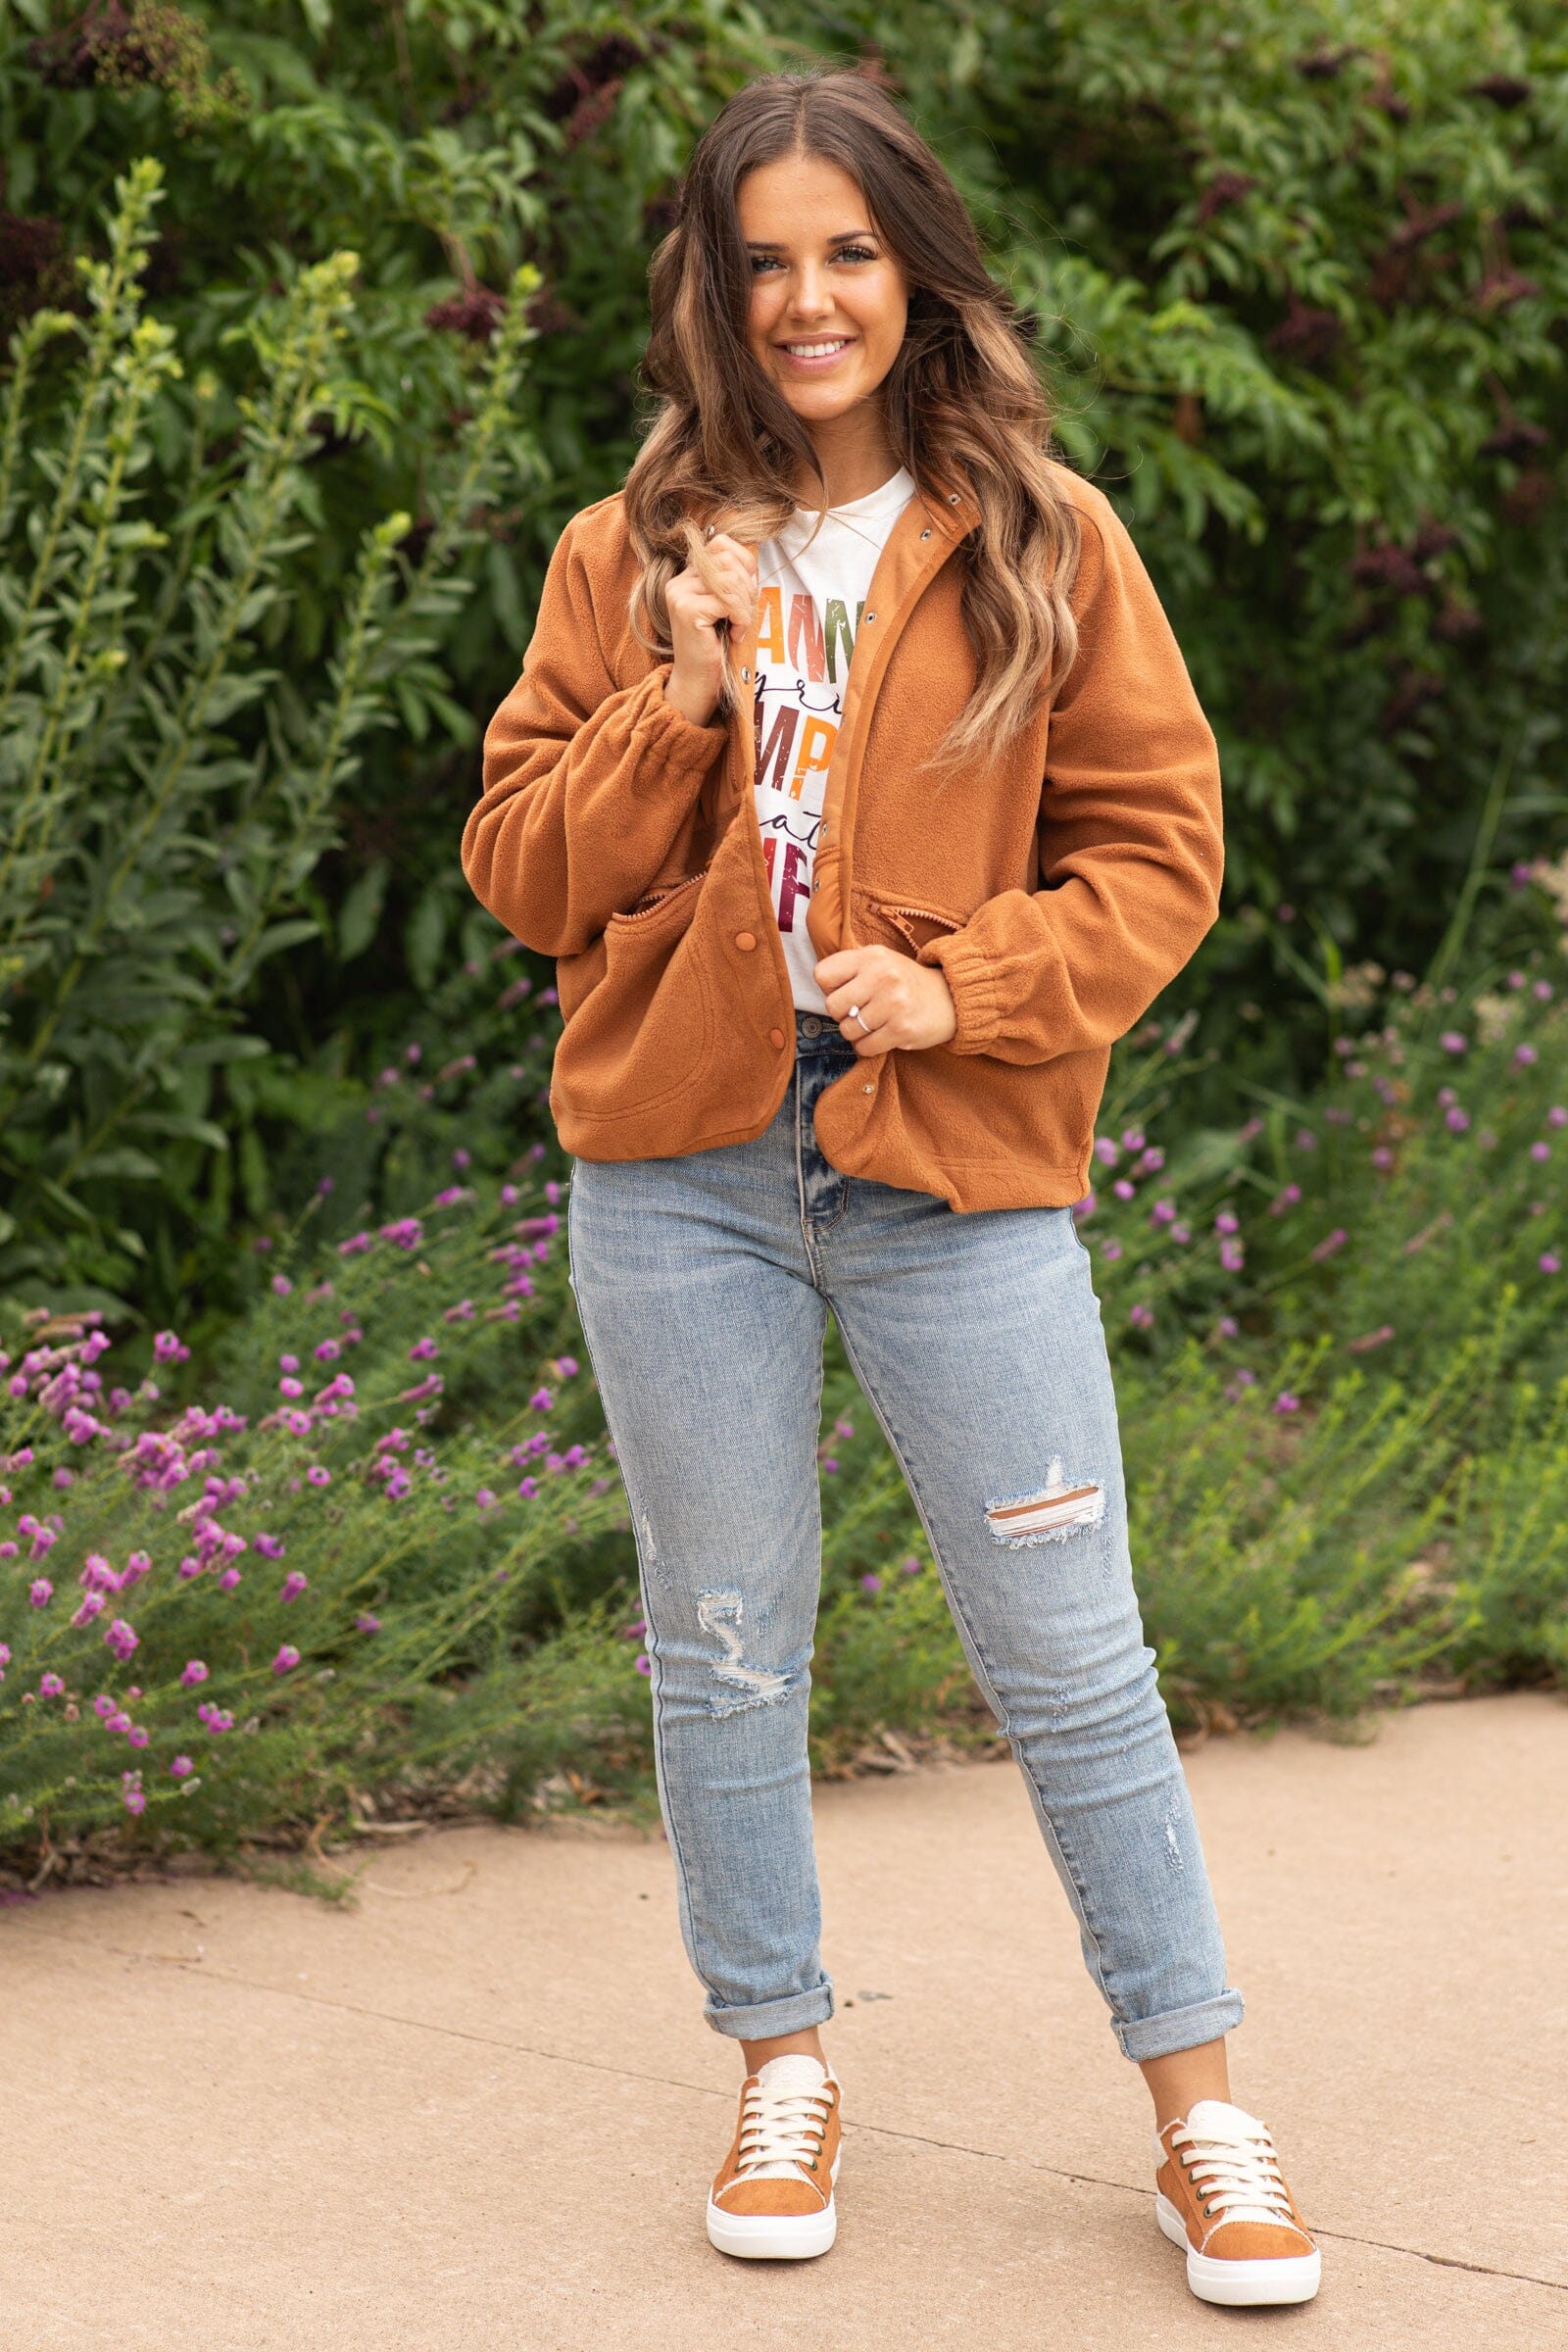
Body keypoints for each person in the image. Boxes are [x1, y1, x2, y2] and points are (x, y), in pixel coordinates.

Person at [462, 66, 1319, 2311]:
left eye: (846, 252)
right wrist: (674, 693)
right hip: (682, 1176)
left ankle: (1200, 2113)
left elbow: (1158, 854)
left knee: (1070, 1655)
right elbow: (522, 872)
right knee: (722, 1642)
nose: (806, 300)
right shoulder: (626, 551)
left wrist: (967, 985)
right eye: (762, 262)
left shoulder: (1043, 534)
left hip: (955, 1172)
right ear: (711, 292)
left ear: (914, 274)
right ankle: (780, 2061)